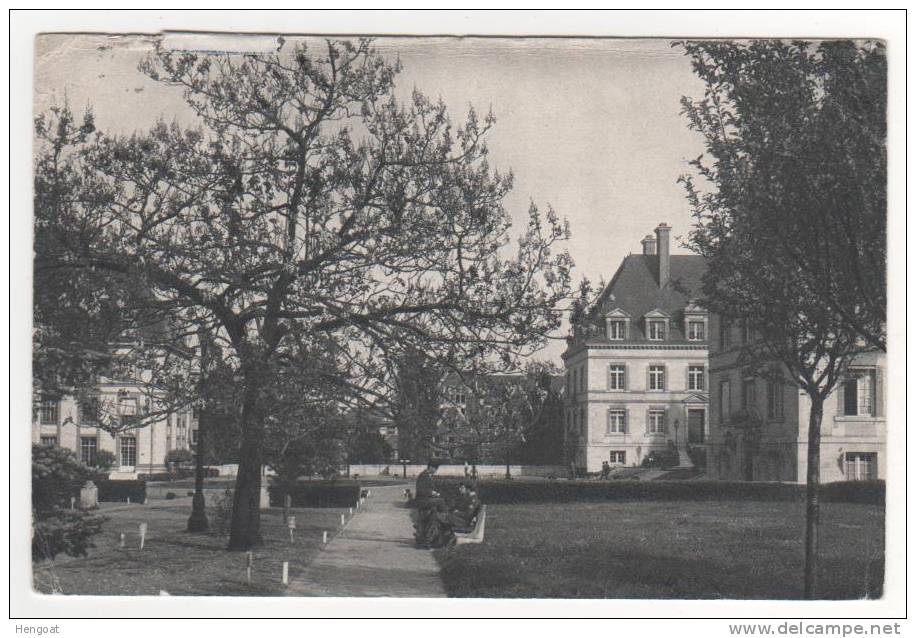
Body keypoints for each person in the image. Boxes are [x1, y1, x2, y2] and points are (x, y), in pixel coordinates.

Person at [413, 460, 454, 548]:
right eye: (435, 468)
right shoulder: (423, 476)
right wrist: (432, 493)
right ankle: (445, 518)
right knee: (440, 501)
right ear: (430, 467)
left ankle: (439, 521)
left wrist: (433, 493)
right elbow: (420, 490)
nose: (436, 470)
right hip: (422, 500)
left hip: (426, 499)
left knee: (437, 506)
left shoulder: (427, 475)